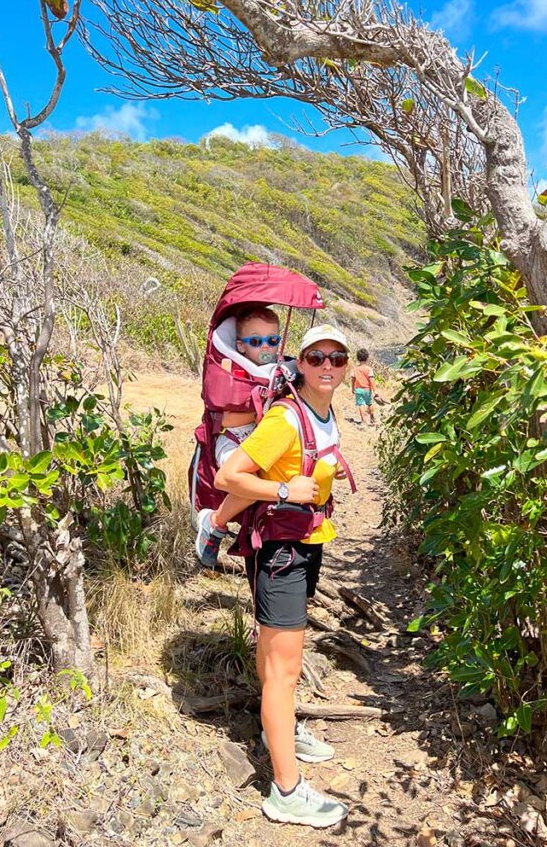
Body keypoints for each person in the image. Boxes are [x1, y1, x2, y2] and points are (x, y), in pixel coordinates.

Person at [214, 323, 351, 828]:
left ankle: (281, 732)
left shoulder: (324, 407)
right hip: (280, 551)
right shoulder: (286, 418)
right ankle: (286, 791)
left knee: (277, 655)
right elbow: (229, 476)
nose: (328, 367)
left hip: (305, 544)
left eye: (338, 358)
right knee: (284, 670)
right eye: (317, 358)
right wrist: (281, 493)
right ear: (301, 362)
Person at [195, 306, 281, 567]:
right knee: (250, 484)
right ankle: (215, 523)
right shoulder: (229, 374)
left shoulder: (279, 372)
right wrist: (261, 412)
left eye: (272, 340)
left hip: (260, 442)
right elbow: (224, 419)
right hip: (231, 440)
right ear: (241, 346)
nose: (265, 347)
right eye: (256, 341)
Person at [351, 347, 379, 425]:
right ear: (367, 358)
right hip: (367, 389)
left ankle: (363, 420)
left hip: (358, 390)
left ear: (358, 358)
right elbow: (371, 380)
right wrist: (375, 390)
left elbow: (353, 379)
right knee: (369, 403)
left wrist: (352, 388)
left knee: (361, 405)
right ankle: (372, 417)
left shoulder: (355, 369)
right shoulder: (369, 369)